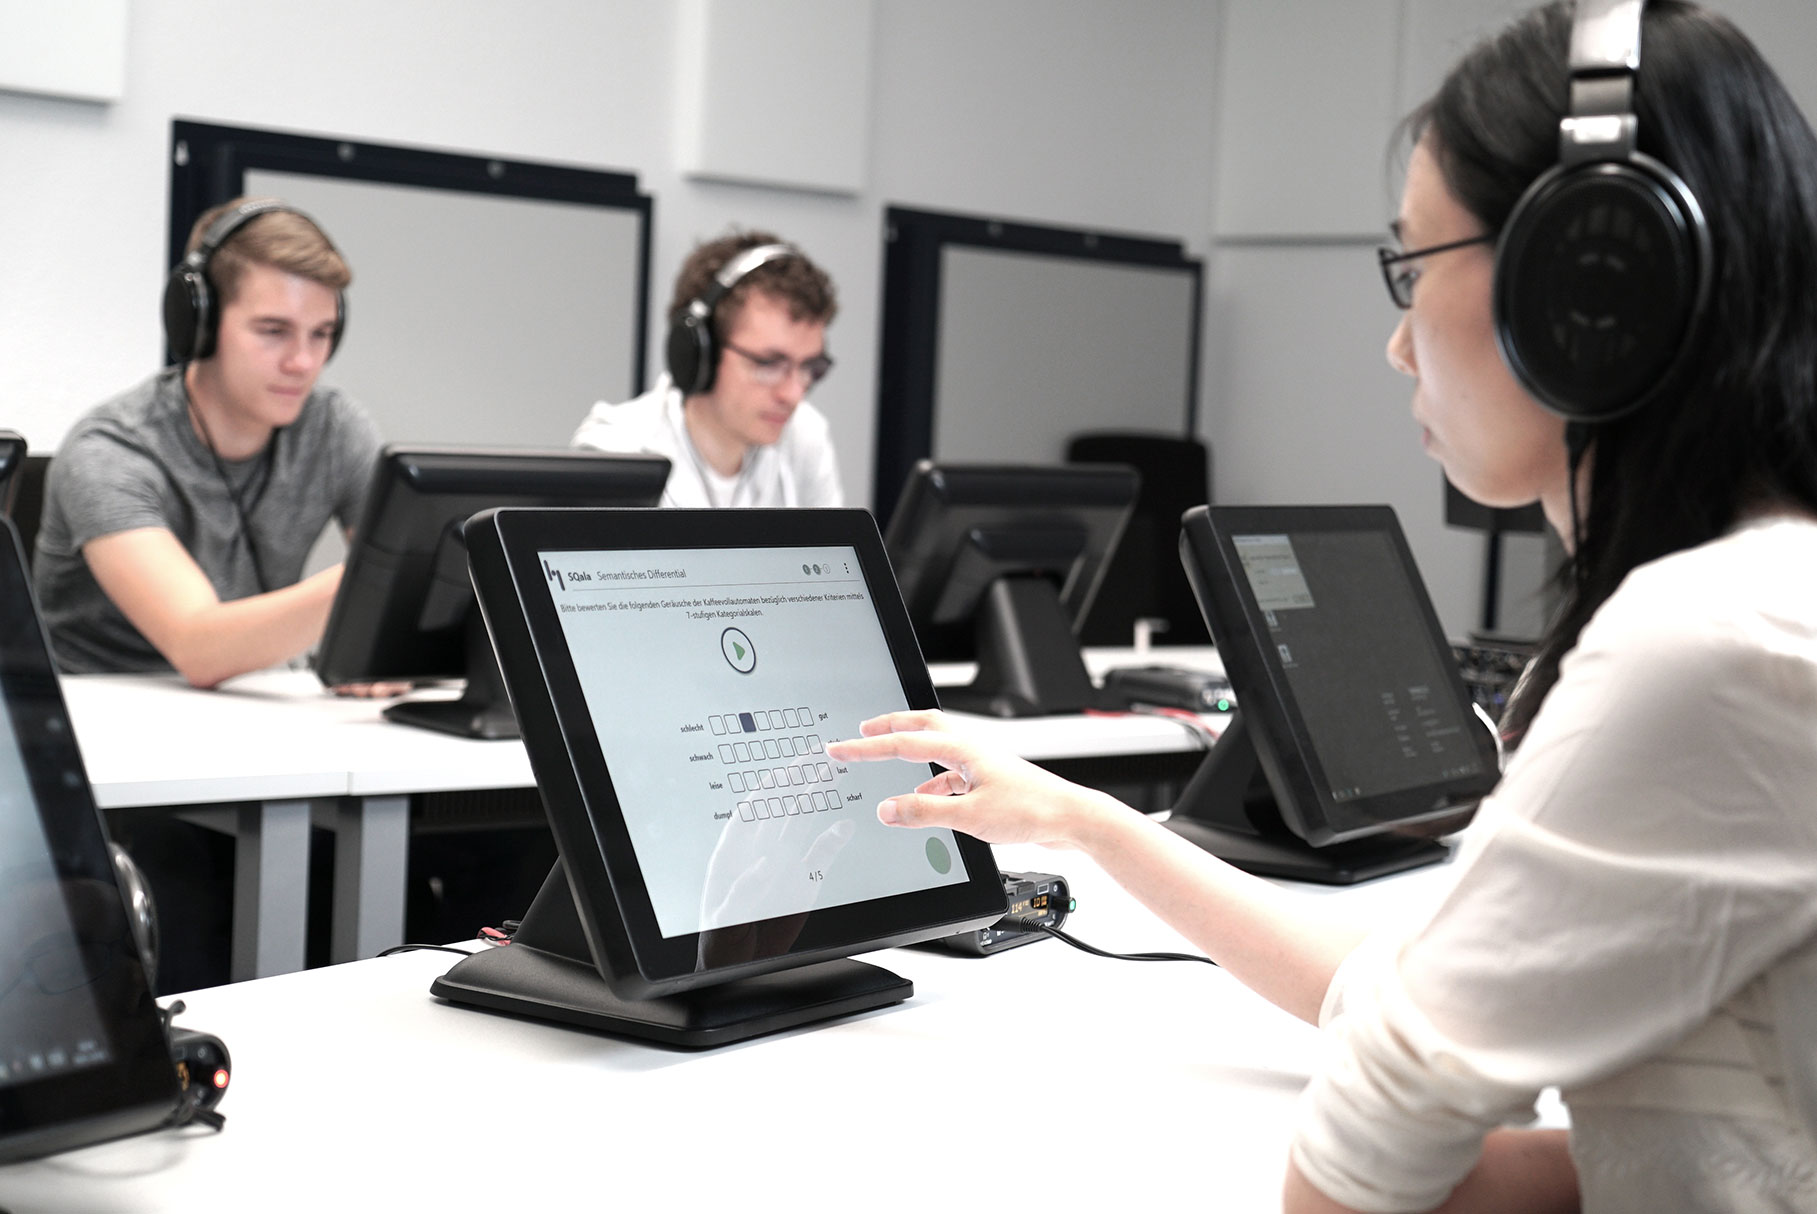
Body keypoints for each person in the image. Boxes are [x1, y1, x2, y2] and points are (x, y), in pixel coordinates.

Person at [828, 3, 1817, 1210]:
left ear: (1586, 290)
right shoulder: (1770, 597)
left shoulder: (1709, 641)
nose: (1398, 347)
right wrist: (1090, 822)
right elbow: (1422, 999)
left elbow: (1355, 1176)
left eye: (1412, 265)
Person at [34, 197, 384, 688]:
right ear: (199, 323)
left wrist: (381, 655)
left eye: (322, 333)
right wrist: (376, 579)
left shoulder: (332, 427)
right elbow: (196, 645)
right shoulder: (108, 452)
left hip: (252, 703)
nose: (304, 362)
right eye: (273, 331)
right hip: (103, 725)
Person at [571, 230, 842, 507]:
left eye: (810, 367)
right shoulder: (618, 452)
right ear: (700, 352)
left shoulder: (805, 438)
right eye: (768, 364)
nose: (793, 395)